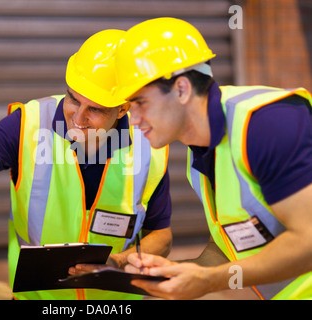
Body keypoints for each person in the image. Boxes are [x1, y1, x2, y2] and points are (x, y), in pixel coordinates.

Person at [0, 29, 173, 300]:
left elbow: (161, 235)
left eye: (95, 109)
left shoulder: (148, 144)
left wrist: (119, 261)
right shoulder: (27, 125)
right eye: (73, 98)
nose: (78, 117)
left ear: (123, 109)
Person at [114, 17, 312, 300]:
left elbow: (309, 241)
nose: (133, 120)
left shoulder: (266, 124)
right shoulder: (202, 154)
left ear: (182, 89)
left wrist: (208, 281)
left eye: (140, 103)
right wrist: (181, 272)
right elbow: (230, 243)